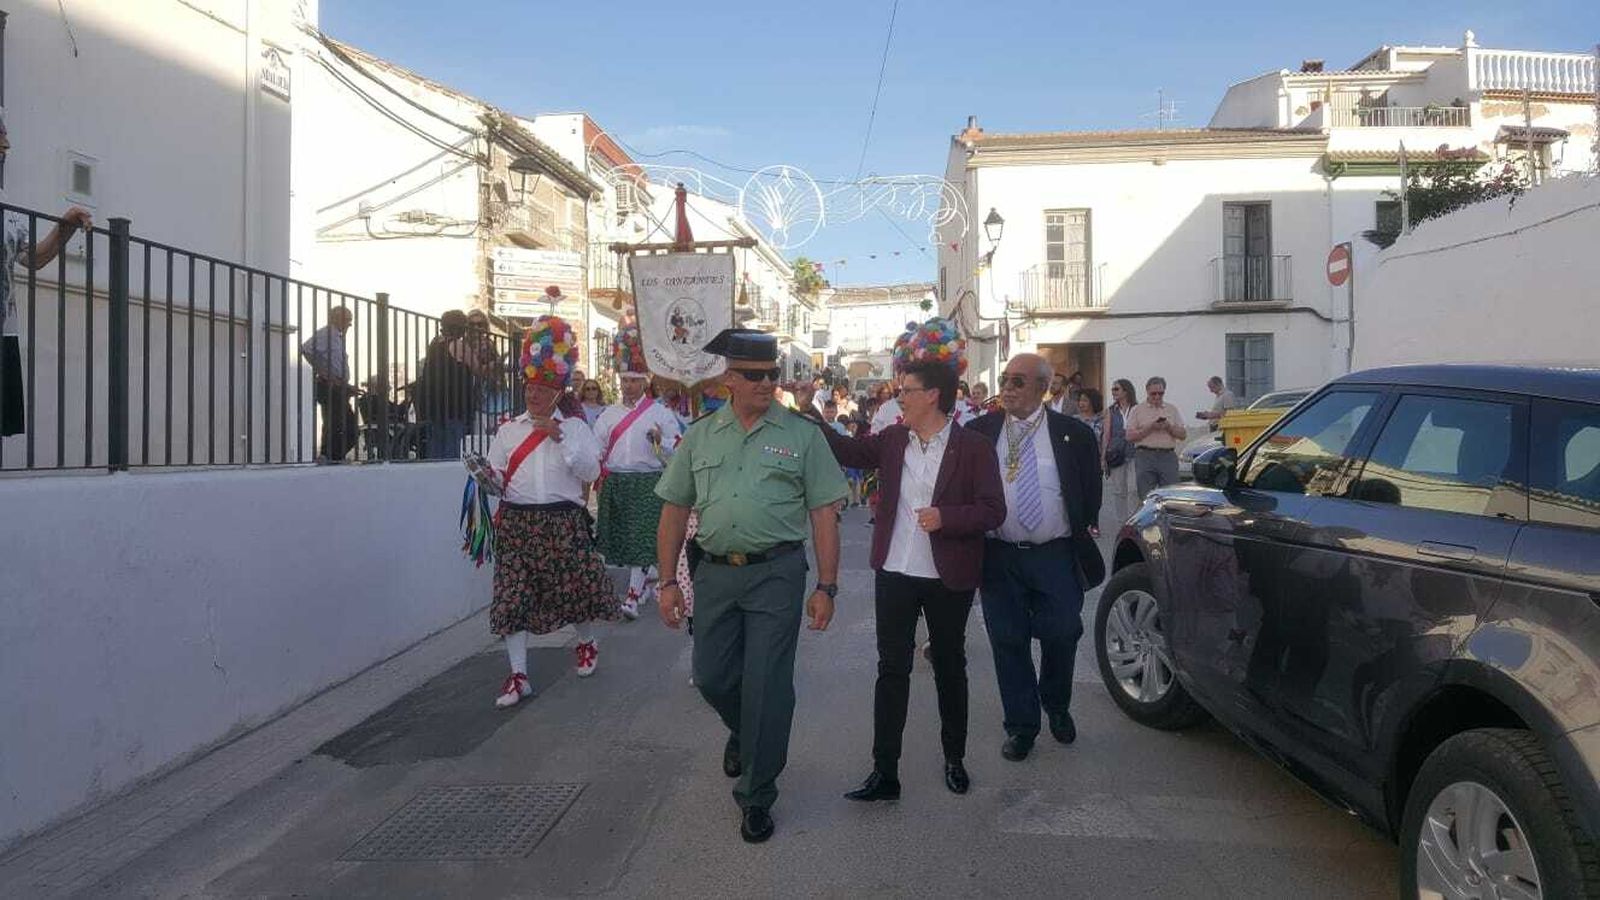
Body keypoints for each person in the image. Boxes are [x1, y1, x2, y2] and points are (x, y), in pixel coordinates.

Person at [654, 328, 848, 844]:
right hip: (714, 573)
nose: (768, 385)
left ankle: (757, 793)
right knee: (713, 677)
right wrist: (667, 581)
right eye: (756, 377)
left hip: (776, 574)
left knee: (766, 683)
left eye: (772, 375)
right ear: (729, 379)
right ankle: (744, 731)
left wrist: (827, 586)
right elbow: (673, 511)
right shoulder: (700, 435)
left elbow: (824, 514)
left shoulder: (803, 435)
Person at [819, 350, 1006, 802]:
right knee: (891, 669)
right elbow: (848, 450)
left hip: (947, 575)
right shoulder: (893, 439)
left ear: (933, 396)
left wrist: (947, 517)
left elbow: (993, 510)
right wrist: (808, 420)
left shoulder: (974, 447)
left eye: (907, 391)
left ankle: (954, 758)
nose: (899, 397)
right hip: (896, 571)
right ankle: (885, 773)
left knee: (948, 665)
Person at [966, 353, 1103, 762]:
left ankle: (1056, 703)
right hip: (998, 555)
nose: (1008, 388)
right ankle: (1022, 726)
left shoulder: (1072, 433)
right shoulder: (979, 432)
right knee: (1008, 640)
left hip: (1055, 555)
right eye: (1005, 380)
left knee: (1063, 631)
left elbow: (1089, 491)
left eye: (1019, 382)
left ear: (1044, 387)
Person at [481, 316, 617, 708]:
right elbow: (498, 480)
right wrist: (483, 477)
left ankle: (587, 643)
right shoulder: (508, 430)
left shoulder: (575, 429)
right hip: (518, 524)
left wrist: (560, 439)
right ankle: (518, 674)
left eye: (541, 389)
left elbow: (592, 472)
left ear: (557, 392)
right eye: (529, 388)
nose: (533, 396)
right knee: (511, 599)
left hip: (562, 521)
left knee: (574, 592)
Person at [0, 139, 94, 438]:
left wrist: (65, 226)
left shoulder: (7, 209)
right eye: (0, 135)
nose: (8, 144)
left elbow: (33, 258)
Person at [593, 327, 684, 621]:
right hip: (617, 483)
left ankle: (632, 596)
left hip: (648, 482)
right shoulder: (608, 414)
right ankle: (645, 580)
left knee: (643, 539)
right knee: (623, 543)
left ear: (645, 383)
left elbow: (677, 449)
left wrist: (661, 441)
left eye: (633, 381)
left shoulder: (661, 414)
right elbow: (597, 448)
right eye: (624, 381)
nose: (628, 386)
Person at [299, 306, 357, 463]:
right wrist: (325, 373)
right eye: (347, 320)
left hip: (339, 385)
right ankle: (329, 455)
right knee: (335, 422)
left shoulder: (337, 337)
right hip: (330, 385)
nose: (349, 325)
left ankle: (334, 456)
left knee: (344, 424)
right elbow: (306, 349)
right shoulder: (327, 334)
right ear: (337, 318)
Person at [419, 311, 477, 459]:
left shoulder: (434, 344)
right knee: (454, 454)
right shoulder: (458, 345)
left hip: (436, 409)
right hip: (456, 408)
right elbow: (477, 368)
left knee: (436, 453)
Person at [1126, 376, 1188, 498]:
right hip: (1145, 456)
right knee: (1146, 496)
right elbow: (1129, 436)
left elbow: (1183, 435)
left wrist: (1169, 427)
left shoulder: (1171, 409)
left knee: (1171, 496)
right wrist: (1151, 427)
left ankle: (1168, 518)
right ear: (1147, 391)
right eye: (1153, 393)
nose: (1157, 397)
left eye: (1161, 393)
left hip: (1167, 456)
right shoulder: (1137, 410)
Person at [1104, 379, 1139, 525]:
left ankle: (1133, 521)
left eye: (1116, 389)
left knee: (1133, 489)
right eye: (1112, 389)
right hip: (1116, 453)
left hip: (1135, 453)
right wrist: (1103, 457)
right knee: (1119, 490)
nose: (1113, 392)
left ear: (1126, 391)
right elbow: (1106, 434)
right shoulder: (1111, 411)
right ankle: (1122, 522)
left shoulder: (1137, 408)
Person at [1075, 387, 1105, 454]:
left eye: (1085, 401)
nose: (1081, 403)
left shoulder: (1101, 420)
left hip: (1095, 456)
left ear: (1093, 401)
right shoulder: (1074, 420)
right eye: (1080, 400)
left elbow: (1102, 441)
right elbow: (1066, 437)